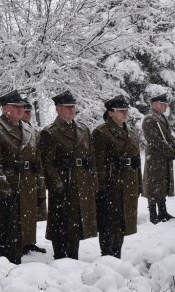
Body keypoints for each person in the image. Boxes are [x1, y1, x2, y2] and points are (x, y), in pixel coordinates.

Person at [0, 90, 41, 265]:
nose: (20, 109)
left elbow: (36, 161)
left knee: (22, 230)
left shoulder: (28, 129)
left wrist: (38, 185)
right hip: (9, 188)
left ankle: (17, 264)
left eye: (22, 106)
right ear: (4, 109)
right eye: (16, 106)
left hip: (26, 185)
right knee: (8, 232)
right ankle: (7, 266)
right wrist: (5, 190)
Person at [40, 90, 97, 260]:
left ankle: (73, 257)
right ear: (58, 109)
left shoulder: (83, 129)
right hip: (63, 182)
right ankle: (60, 257)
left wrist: (92, 180)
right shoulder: (50, 132)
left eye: (73, 107)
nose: (72, 110)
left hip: (80, 181)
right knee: (60, 223)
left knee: (76, 224)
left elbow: (90, 158)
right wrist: (57, 184)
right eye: (67, 107)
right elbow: (47, 163)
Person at [91, 95, 142, 258]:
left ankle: (117, 253)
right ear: (111, 113)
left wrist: (139, 183)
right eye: (121, 111)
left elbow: (137, 160)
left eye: (126, 110)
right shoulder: (101, 132)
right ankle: (107, 254)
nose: (125, 113)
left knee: (122, 222)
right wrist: (102, 186)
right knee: (108, 222)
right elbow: (97, 162)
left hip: (128, 182)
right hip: (111, 184)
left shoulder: (131, 131)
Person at [142, 93, 175, 223]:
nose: (166, 106)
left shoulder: (162, 118)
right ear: (155, 104)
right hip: (155, 158)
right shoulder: (150, 119)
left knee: (161, 184)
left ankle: (162, 211)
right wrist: (170, 152)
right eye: (163, 104)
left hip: (163, 158)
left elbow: (169, 137)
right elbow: (155, 140)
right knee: (153, 185)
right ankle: (153, 214)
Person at [22, 99, 47, 254]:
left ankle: (30, 240)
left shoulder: (34, 131)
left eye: (30, 111)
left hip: (35, 174)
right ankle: (23, 241)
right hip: (23, 176)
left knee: (33, 211)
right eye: (26, 111)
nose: (28, 114)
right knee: (24, 211)